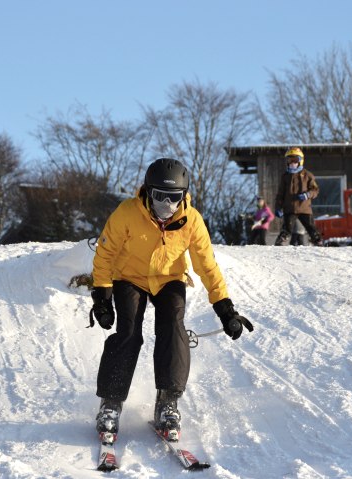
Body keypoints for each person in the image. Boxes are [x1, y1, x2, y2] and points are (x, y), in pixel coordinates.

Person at [89, 158, 253, 443]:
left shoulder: (192, 221)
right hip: (130, 277)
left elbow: (207, 266)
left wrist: (226, 310)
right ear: (147, 192)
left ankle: (167, 402)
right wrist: (102, 297)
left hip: (169, 279)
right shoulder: (127, 213)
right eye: (159, 196)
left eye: (174, 197)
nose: (166, 204)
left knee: (173, 327)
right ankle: (110, 405)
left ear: (184, 196)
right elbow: (104, 254)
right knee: (128, 332)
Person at [274, 147, 323, 246]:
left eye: (295, 160)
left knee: (311, 227)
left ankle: (318, 242)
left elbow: (315, 190)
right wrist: (278, 208)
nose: (292, 163)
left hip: (304, 208)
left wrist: (308, 194)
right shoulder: (285, 177)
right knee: (287, 228)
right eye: (290, 160)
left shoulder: (307, 175)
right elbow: (280, 194)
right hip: (289, 208)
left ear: (300, 161)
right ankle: (280, 243)